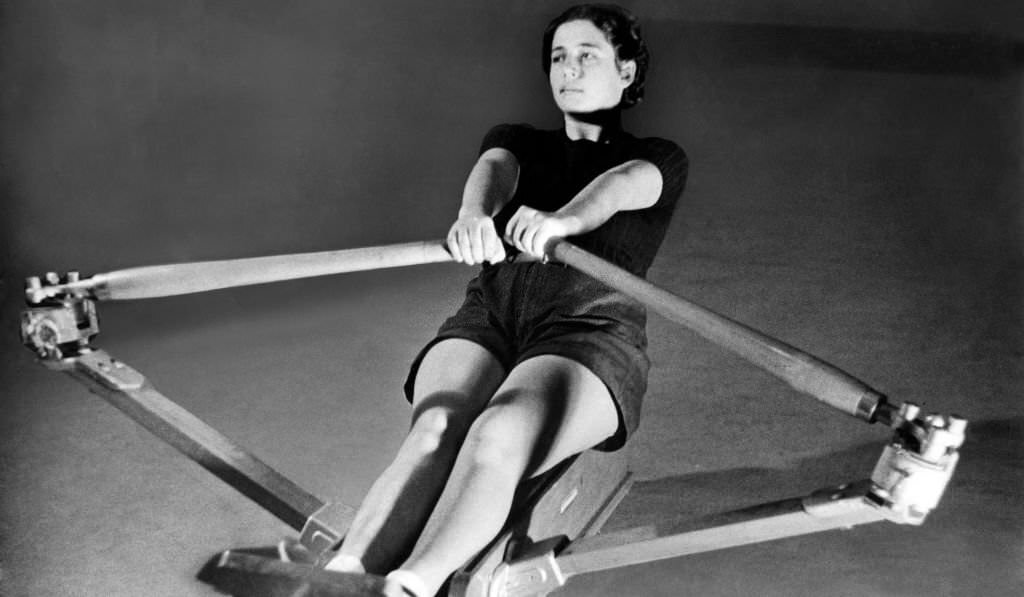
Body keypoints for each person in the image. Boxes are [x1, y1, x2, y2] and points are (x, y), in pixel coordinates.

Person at [325, 5, 687, 596]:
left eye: (587, 56)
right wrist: (474, 216)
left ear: (625, 72)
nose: (568, 71)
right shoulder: (518, 140)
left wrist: (563, 221)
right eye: (558, 58)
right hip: (493, 314)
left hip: (591, 330)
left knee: (496, 433)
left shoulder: (662, 157)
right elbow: (493, 168)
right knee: (437, 427)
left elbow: (621, 187)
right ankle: (343, 574)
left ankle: (411, 586)